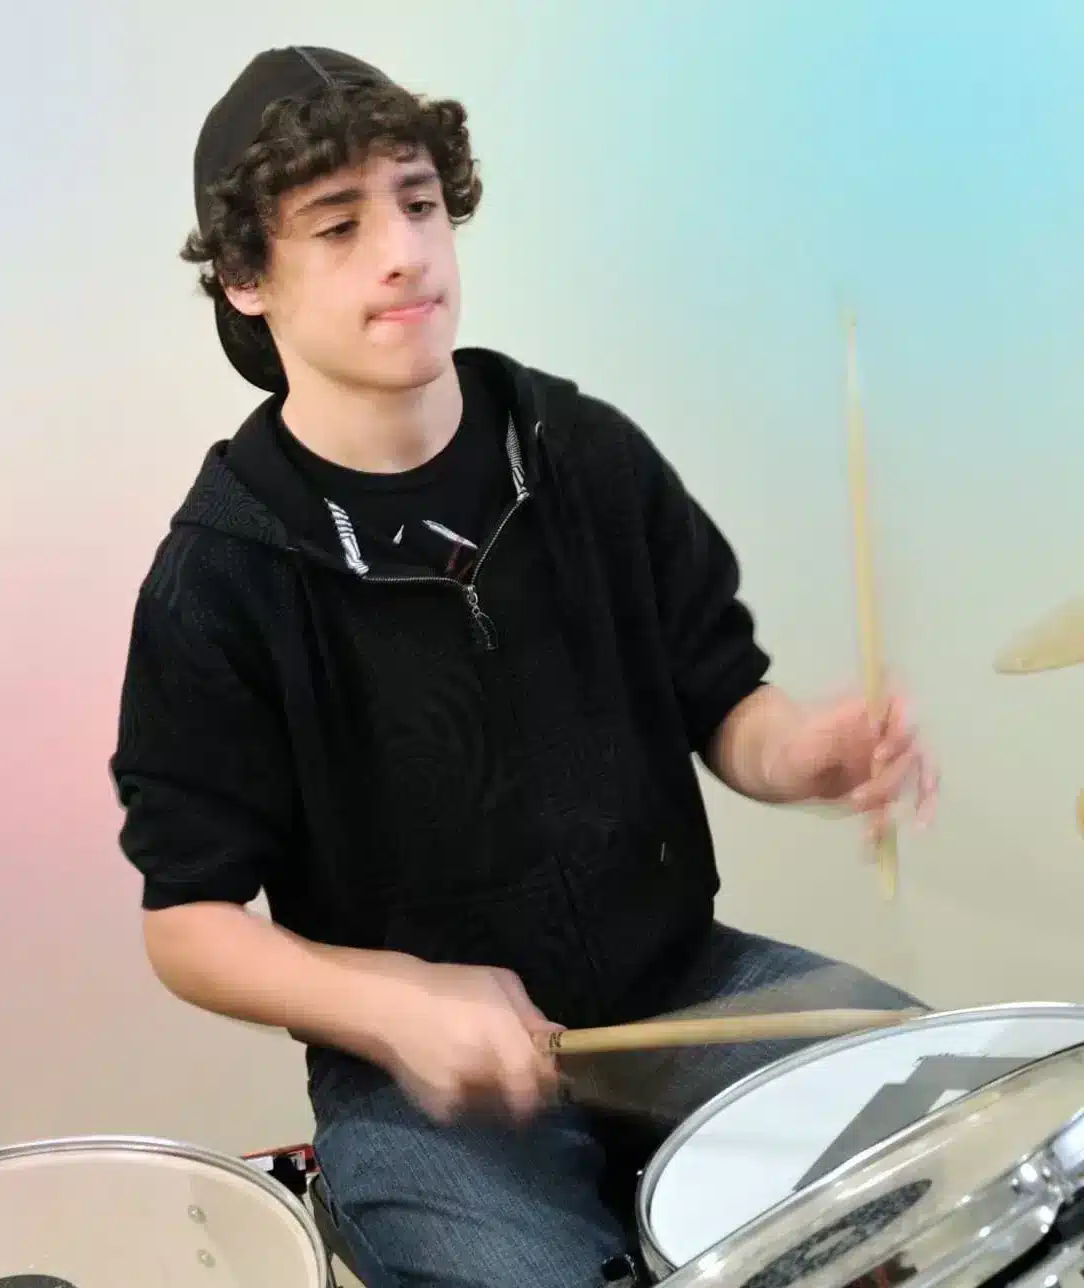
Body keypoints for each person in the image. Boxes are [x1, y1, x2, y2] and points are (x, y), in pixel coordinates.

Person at [109, 45, 939, 1288]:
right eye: (337, 225)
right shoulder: (223, 573)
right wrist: (396, 1001)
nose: (402, 251)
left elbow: (723, 703)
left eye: (418, 201)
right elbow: (188, 925)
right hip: (420, 1082)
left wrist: (800, 750)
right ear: (242, 279)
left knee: (956, 1121)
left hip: (683, 989)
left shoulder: (572, 446)